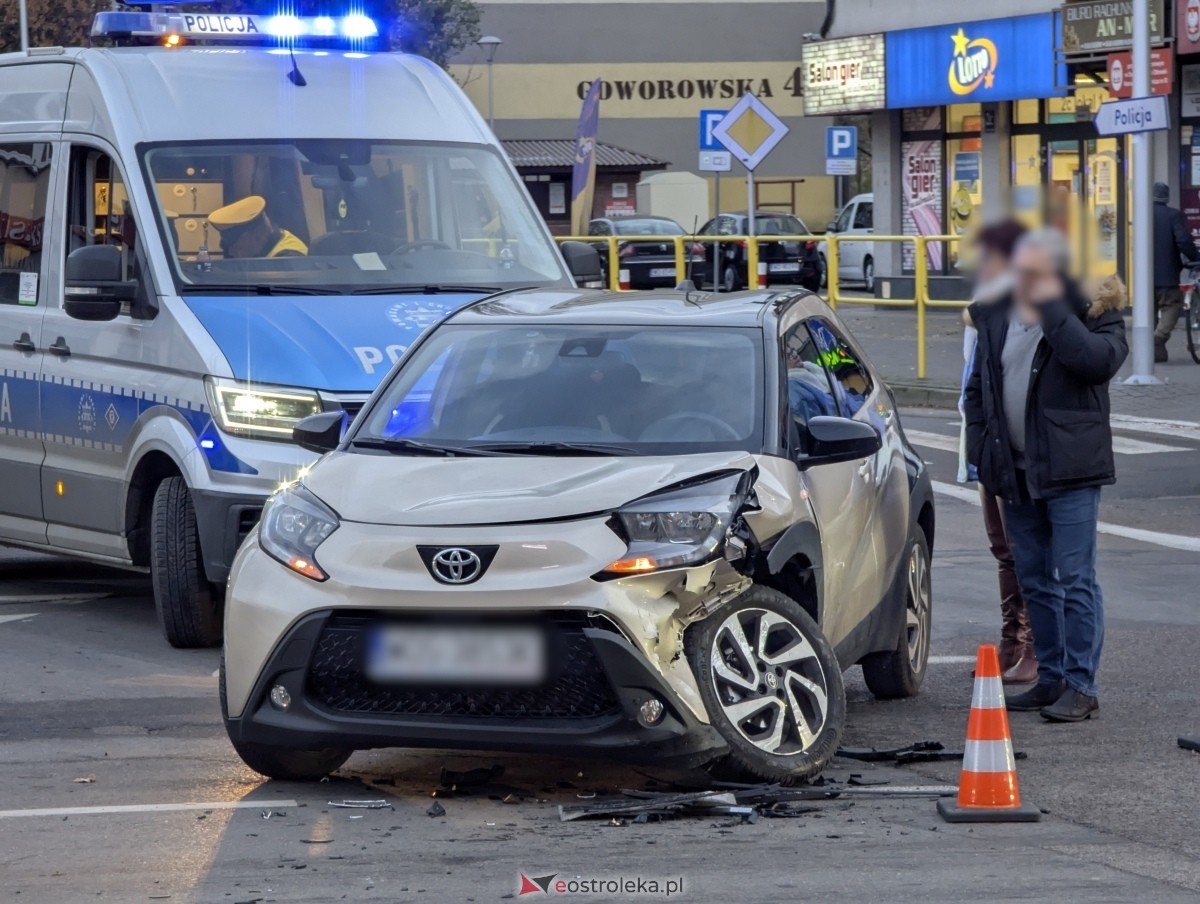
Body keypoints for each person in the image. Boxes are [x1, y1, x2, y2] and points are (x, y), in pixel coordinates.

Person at [964, 229, 1128, 722]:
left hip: (1070, 468)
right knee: (1034, 577)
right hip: (1015, 470)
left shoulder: (1093, 310)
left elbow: (1095, 362)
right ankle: (1051, 677)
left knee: (1075, 578)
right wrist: (982, 449)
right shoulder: (997, 314)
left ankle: (1081, 685)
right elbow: (979, 388)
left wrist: (1053, 308)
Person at [957, 219, 1037, 685]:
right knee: (1003, 549)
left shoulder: (1024, 305)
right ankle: (1012, 639)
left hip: (1015, 446)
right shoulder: (985, 305)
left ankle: (1032, 643)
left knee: (1024, 548)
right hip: (986, 440)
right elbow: (973, 378)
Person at [1151, 181, 1199, 362]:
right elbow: (1183, 241)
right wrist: (1196, 258)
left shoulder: (1141, 214)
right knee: (1172, 305)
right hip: (1167, 275)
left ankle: (1154, 350)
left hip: (1143, 277)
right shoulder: (1173, 215)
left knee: (1148, 310)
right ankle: (1159, 337)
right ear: (1166, 197)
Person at [208, 195, 307, 259]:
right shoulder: (263, 250)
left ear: (256, 237)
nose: (231, 252)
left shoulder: (288, 258)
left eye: (238, 247)